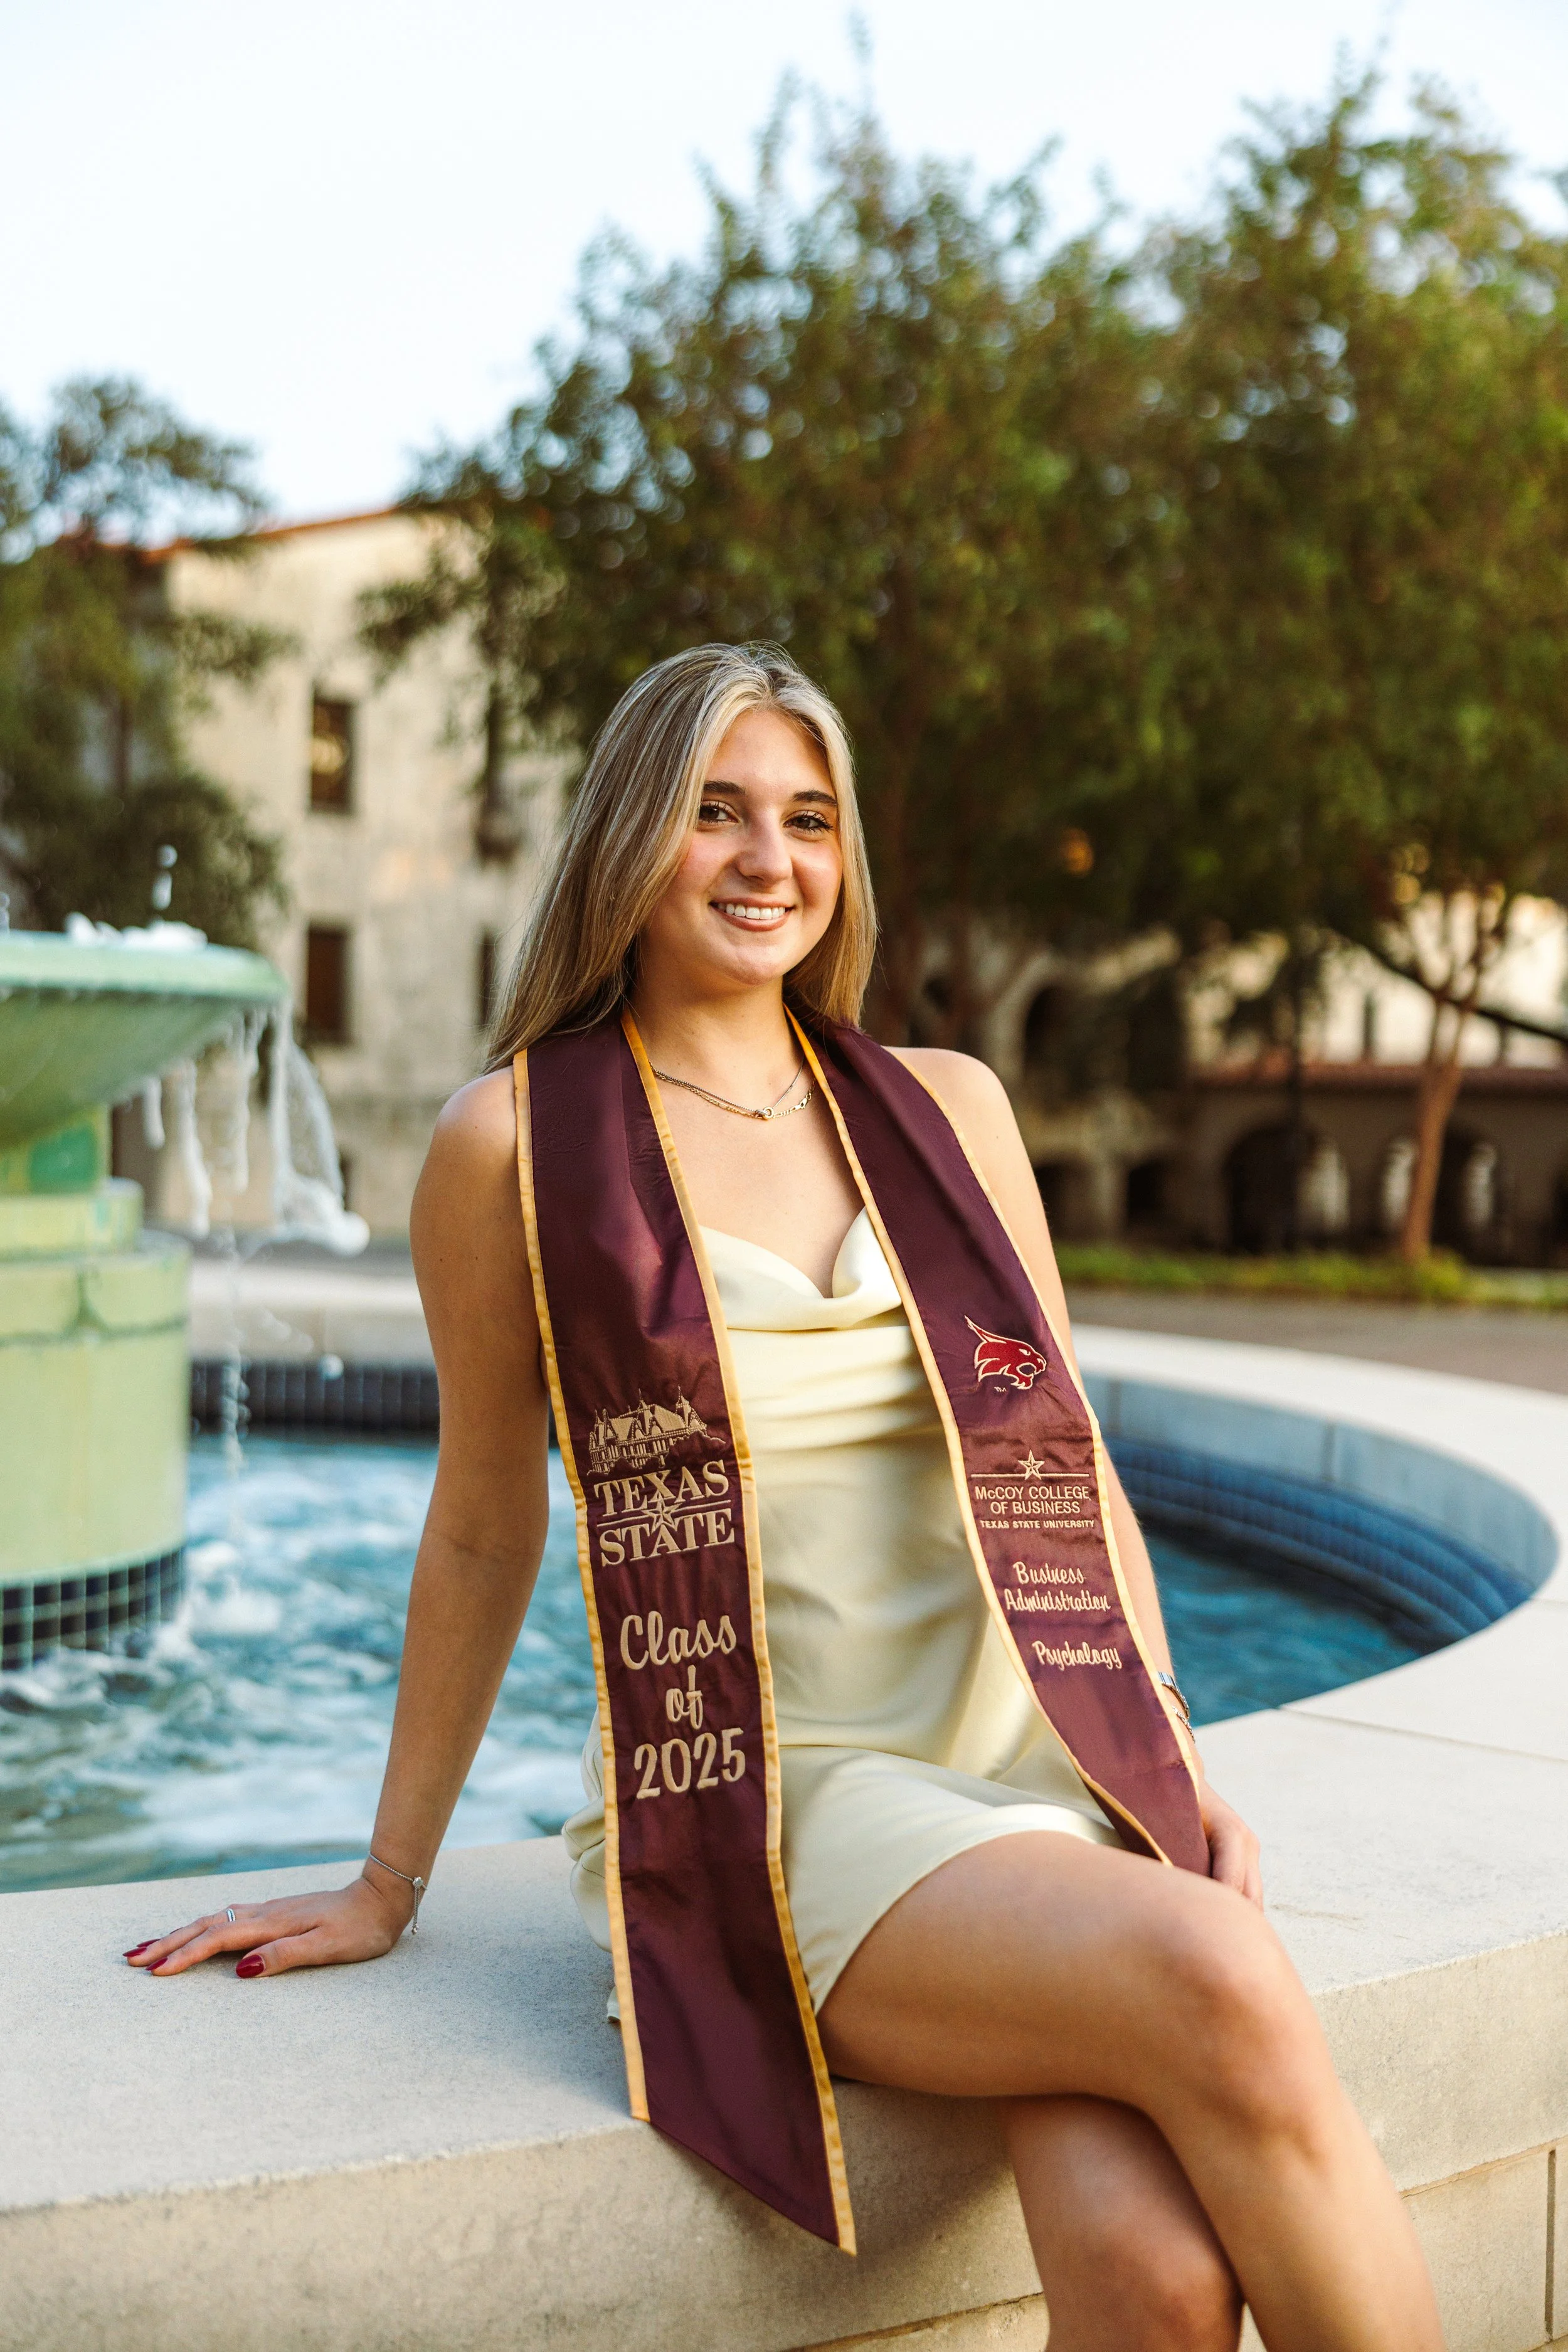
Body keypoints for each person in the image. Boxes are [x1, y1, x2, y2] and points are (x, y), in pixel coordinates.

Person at [128, 645, 1444, 2351]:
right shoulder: (515, 1147)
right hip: (772, 1797)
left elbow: (1069, 1459)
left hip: (1030, 1755)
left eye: (808, 818)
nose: (770, 859)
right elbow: (477, 1519)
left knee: (1157, 2283)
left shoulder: (944, 1107)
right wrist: (391, 1877)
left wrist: (1166, 1750)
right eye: (717, 812)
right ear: (629, 838)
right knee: (1219, 1977)